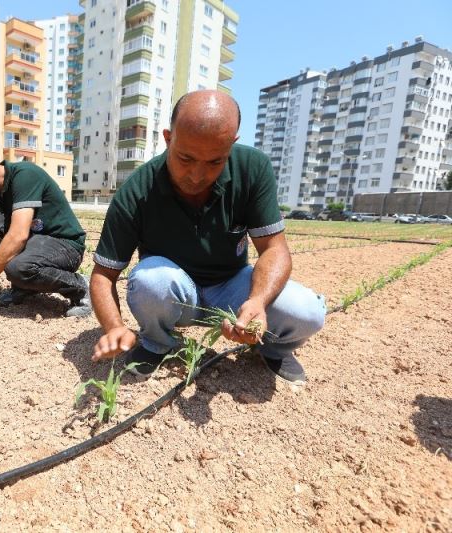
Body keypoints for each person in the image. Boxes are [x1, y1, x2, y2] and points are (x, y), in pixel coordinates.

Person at [89, 90, 325, 384]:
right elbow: (103, 275)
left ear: (231, 144)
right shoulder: (139, 189)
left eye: (215, 161)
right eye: (185, 158)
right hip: (173, 291)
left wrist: (257, 301)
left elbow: (274, 249)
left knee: (307, 312)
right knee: (151, 281)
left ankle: (272, 349)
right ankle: (157, 342)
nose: (197, 175)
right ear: (168, 138)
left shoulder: (252, 169)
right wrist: (114, 327)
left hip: (231, 287)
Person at [0, 144, 92, 317]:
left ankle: (81, 286)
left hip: (65, 245)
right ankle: (24, 286)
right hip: (37, 243)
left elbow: (18, 236)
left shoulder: (25, 175)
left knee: (18, 267)